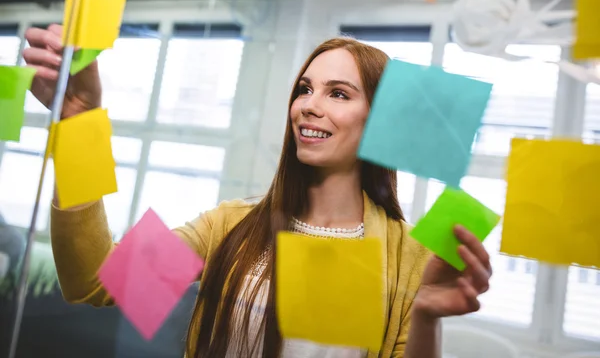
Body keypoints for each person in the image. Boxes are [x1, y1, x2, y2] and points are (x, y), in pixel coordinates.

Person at [23, 24, 493, 358]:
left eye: (339, 94)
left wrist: (427, 316)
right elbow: (92, 282)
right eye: (305, 89)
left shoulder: (412, 255)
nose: (308, 106)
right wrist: (77, 125)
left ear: (381, 124)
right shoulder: (230, 224)